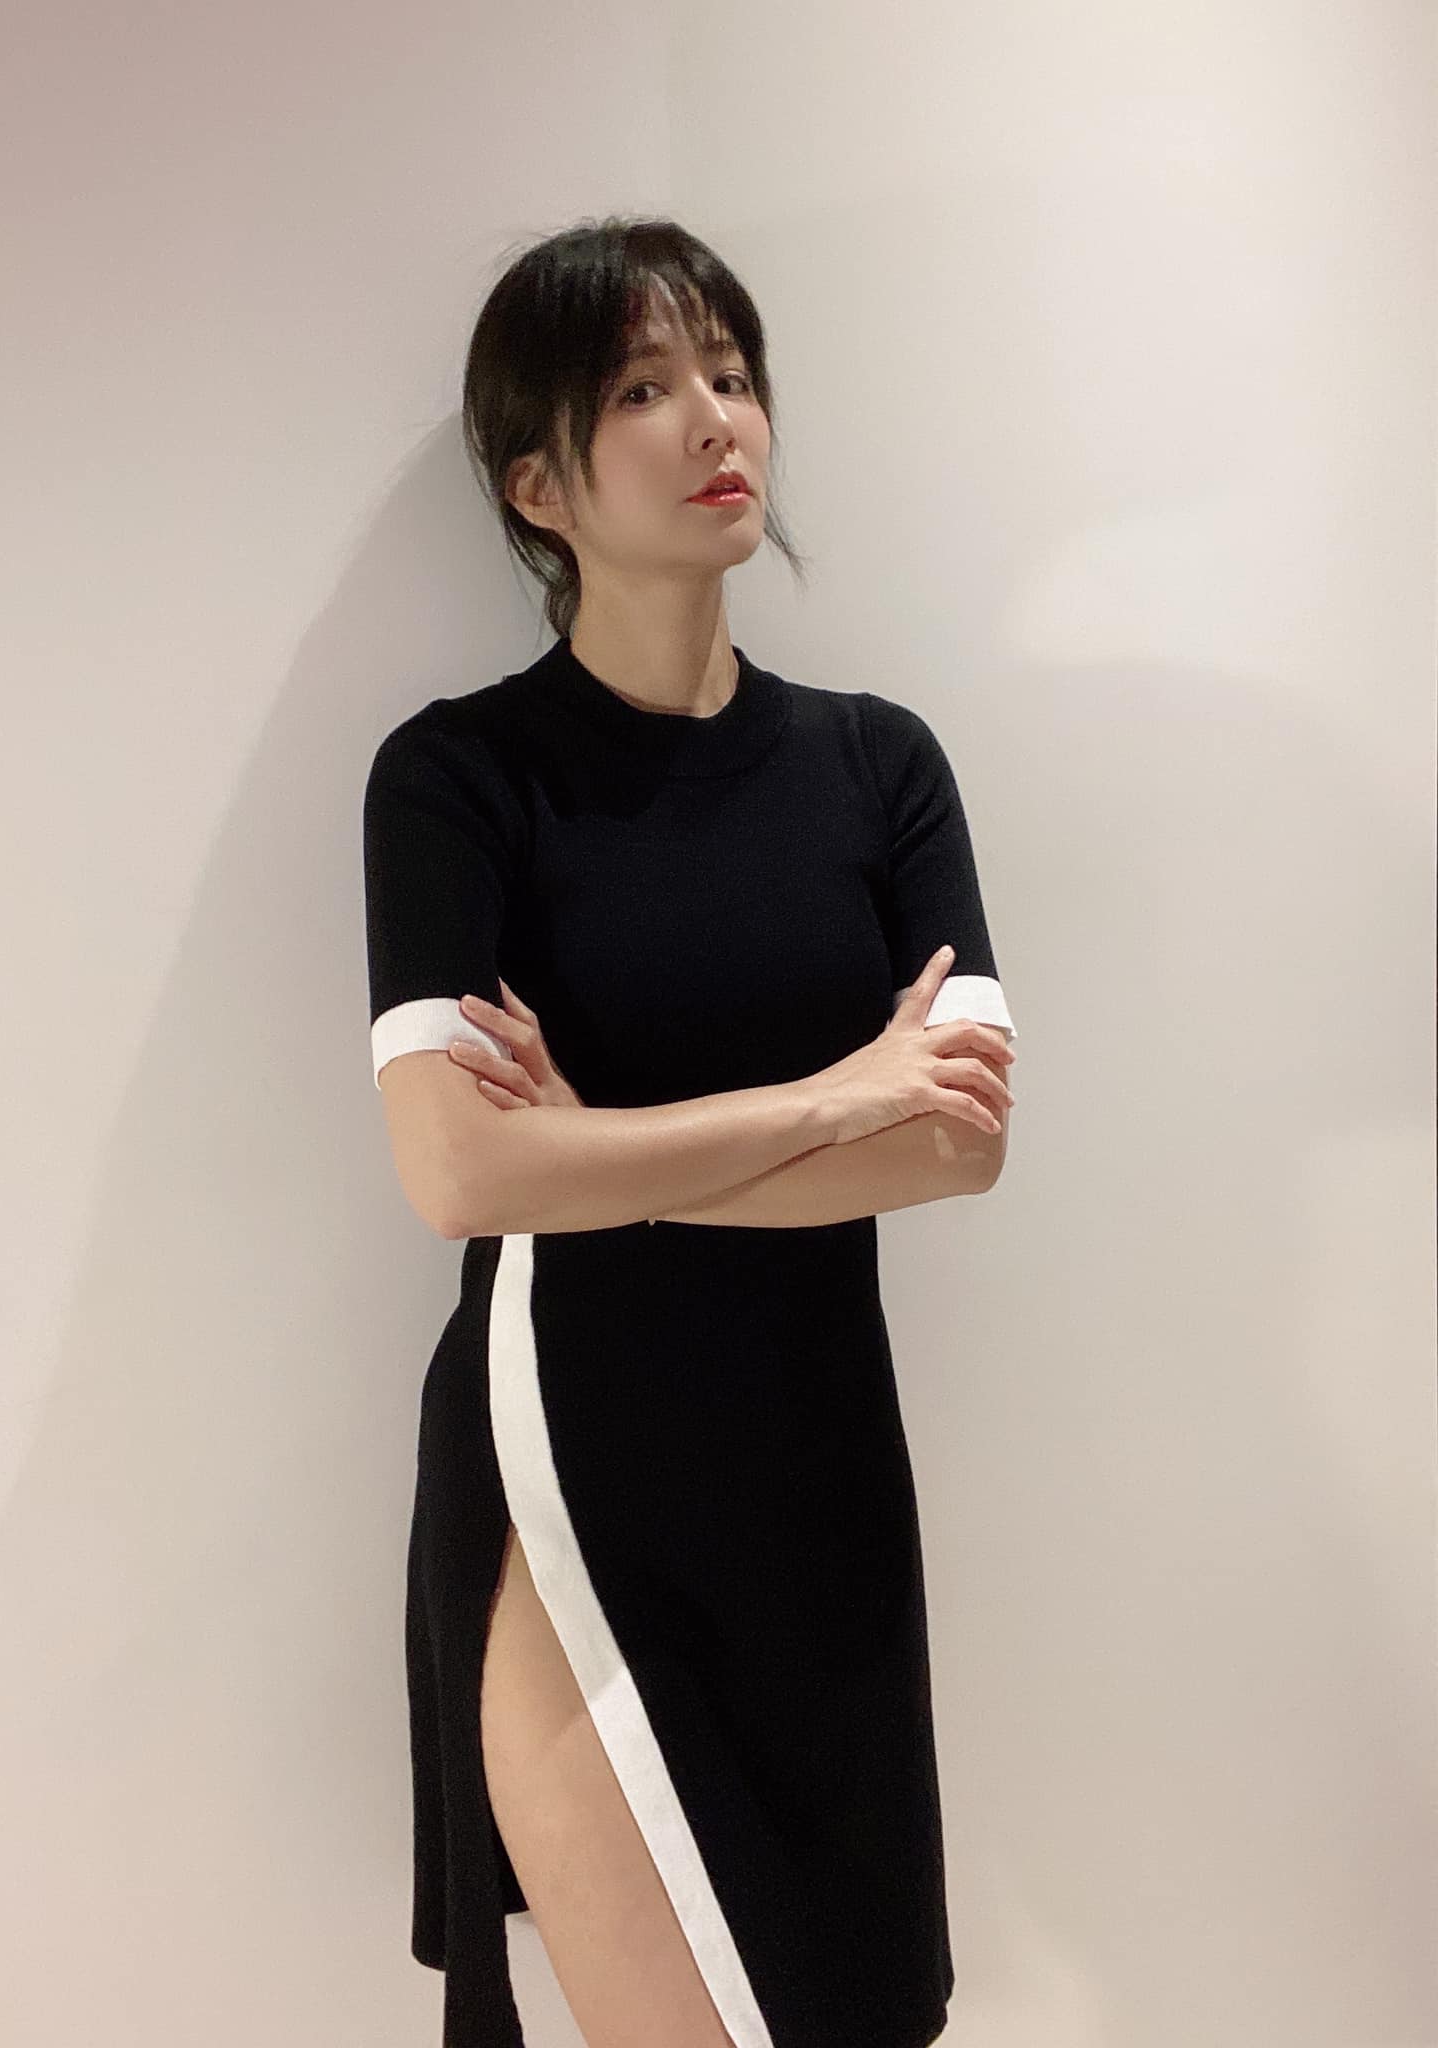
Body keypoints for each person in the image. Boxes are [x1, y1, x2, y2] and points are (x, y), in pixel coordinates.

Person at [362, 213, 1019, 2048]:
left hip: (820, 1475)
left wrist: (611, 1162)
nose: (716, 417)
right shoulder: (457, 780)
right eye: (645, 389)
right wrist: (830, 1099)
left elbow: (961, 1144)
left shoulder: (882, 767)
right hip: (562, 1469)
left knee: (858, 2013)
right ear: (538, 485)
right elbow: (460, 1174)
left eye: (731, 373)